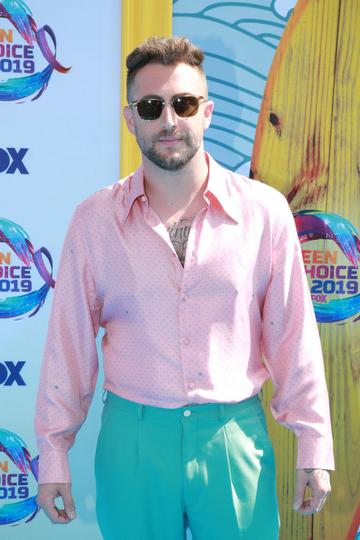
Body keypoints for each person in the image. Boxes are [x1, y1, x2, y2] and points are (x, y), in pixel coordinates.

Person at [35, 36, 334, 539]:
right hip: (132, 444)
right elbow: (67, 345)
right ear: (131, 120)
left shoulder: (263, 214)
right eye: (151, 107)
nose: (169, 120)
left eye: (184, 103)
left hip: (234, 438)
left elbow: (293, 337)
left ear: (207, 112)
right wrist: (53, 453)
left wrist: (313, 443)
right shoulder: (94, 221)